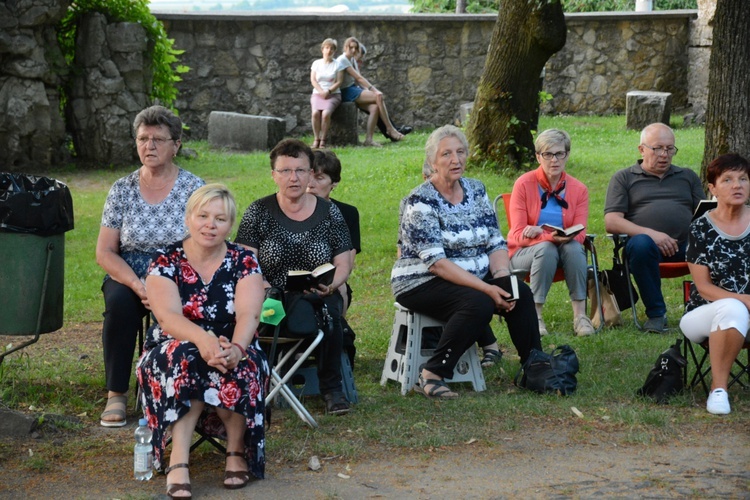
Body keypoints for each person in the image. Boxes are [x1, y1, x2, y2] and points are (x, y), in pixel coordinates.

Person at [136, 184, 268, 496]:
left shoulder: (243, 261)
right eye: (203, 216)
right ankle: (178, 458)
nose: (210, 224)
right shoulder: (165, 260)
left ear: (230, 225)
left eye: (220, 219)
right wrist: (204, 341)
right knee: (188, 358)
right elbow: (168, 317)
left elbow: (249, 315)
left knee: (244, 365)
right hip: (172, 342)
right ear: (188, 218)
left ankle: (236, 452)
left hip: (233, 340)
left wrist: (235, 348)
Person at [391, 125, 542, 399]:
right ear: (432, 162)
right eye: (446, 154)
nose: (455, 159)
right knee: (478, 302)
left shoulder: (477, 190)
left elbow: (495, 241)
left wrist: (500, 278)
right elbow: (436, 262)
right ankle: (432, 374)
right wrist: (487, 289)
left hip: (471, 278)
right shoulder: (420, 201)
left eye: (460, 152)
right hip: (421, 281)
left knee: (519, 291)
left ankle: (535, 366)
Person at [95, 105, 204, 428]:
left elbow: (204, 243)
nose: (149, 146)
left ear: (176, 145)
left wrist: (162, 283)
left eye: (158, 139)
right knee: (119, 304)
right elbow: (105, 251)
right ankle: (116, 393)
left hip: (177, 271)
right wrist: (139, 285)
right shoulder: (122, 189)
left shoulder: (193, 187)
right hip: (129, 272)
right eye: (143, 139)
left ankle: (170, 390)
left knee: (179, 311)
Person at [235, 139, 353, 415]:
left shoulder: (329, 212)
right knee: (261, 312)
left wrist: (334, 282)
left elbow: (344, 260)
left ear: (311, 173)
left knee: (331, 314)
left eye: (300, 170)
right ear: (273, 175)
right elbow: (244, 260)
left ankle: (332, 389)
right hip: (270, 294)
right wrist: (262, 285)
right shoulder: (258, 211)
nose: (294, 177)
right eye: (285, 171)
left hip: (318, 291)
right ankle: (259, 383)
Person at [604, 123, 704, 333]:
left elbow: (704, 215)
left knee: (713, 243)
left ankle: (711, 307)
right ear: (642, 149)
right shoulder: (624, 178)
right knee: (641, 243)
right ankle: (657, 315)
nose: (664, 154)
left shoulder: (687, 176)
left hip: (686, 246)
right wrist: (653, 235)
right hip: (646, 249)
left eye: (670, 149)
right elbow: (612, 221)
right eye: (657, 148)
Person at [680, 154, 750, 415]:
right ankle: (718, 390)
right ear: (713, 188)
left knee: (736, 308)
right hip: (703, 315)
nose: (737, 185)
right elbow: (704, 287)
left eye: (743, 179)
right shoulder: (700, 228)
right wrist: (744, 300)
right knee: (732, 308)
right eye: (728, 180)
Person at [508, 129, 594, 337]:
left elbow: (580, 234)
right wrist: (548, 237)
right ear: (538, 157)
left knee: (574, 246)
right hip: (524, 253)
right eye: (548, 154)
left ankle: (580, 316)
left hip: (565, 250)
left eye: (559, 154)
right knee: (546, 248)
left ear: (567, 155)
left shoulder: (579, 189)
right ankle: (535, 315)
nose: (554, 160)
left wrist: (544, 232)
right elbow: (519, 234)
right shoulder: (523, 184)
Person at [308, 149, 360, 364]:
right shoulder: (288, 210)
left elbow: (348, 260)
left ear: (334, 183)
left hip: (330, 277)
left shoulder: (346, 213)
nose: (311, 183)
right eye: (308, 175)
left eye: (319, 178)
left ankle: (336, 338)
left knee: (340, 288)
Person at [336, 36, 404, 147]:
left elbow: (358, 79)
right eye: (351, 47)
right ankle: (390, 129)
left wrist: (366, 90)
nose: (353, 50)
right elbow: (359, 78)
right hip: (345, 91)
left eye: (355, 48)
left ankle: (369, 140)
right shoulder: (343, 59)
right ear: (345, 47)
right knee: (378, 97)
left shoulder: (352, 59)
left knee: (374, 107)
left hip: (353, 88)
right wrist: (374, 90)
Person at [354, 43, 413, 142]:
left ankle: (393, 131)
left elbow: (359, 82)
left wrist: (366, 90)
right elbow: (358, 80)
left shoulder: (353, 64)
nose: (360, 62)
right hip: (353, 94)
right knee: (378, 98)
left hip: (358, 91)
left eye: (361, 59)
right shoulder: (347, 63)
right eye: (359, 59)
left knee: (377, 105)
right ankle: (392, 130)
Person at [310, 38, 343, 149]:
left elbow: (339, 81)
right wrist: (321, 91)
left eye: (331, 48)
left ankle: (323, 139)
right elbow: (313, 80)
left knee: (325, 114)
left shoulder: (338, 65)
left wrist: (328, 91)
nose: (329, 51)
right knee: (315, 113)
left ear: (334, 51)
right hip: (317, 93)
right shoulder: (316, 63)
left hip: (333, 94)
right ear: (322, 49)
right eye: (327, 48)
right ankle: (316, 138)